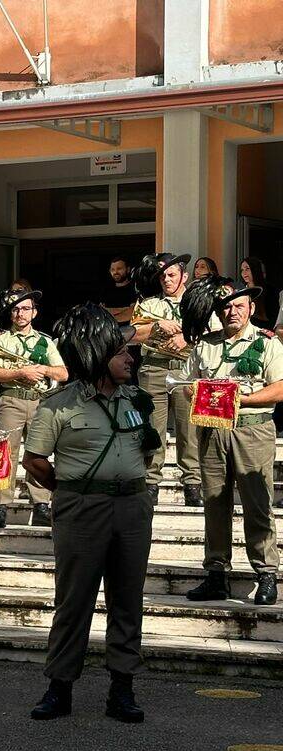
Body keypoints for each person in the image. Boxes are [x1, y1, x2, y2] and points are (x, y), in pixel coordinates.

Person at [23, 303, 159, 723]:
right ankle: (59, 687)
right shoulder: (58, 405)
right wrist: (70, 491)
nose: (129, 359)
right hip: (82, 507)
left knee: (127, 599)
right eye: (121, 353)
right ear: (97, 355)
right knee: (74, 599)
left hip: (132, 506)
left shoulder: (137, 398)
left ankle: (122, 689)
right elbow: (34, 460)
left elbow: (150, 449)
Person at [179, 276, 280, 606]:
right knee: (214, 503)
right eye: (226, 306)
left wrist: (241, 399)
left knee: (257, 503)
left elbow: (279, 387)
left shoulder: (267, 344)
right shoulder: (205, 345)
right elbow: (187, 384)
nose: (232, 311)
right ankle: (216, 573)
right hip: (212, 430)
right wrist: (192, 390)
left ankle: (266, 573)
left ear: (251, 308)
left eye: (239, 305)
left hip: (252, 428)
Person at [0, 287, 68, 528]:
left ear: (34, 313)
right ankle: (0, 505)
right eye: (16, 309)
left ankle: (41, 504)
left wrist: (42, 370)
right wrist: (21, 372)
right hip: (11, 399)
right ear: (11, 314)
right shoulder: (0, 340)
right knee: (1, 452)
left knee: (39, 452)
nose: (20, 313)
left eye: (25, 309)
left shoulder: (45, 341)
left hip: (40, 400)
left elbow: (63, 372)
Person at [130, 253, 202, 506]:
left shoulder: (197, 303)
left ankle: (193, 482)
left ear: (185, 276)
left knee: (188, 429)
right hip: (155, 368)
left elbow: (214, 332)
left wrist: (187, 337)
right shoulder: (149, 304)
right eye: (162, 276)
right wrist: (157, 326)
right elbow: (132, 335)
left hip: (186, 369)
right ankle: (151, 482)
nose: (166, 280)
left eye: (171, 275)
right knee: (152, 427)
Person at [241, 256, 278, 329]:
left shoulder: (270, 291)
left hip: (264, 329)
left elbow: (272, 318)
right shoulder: (241, 290)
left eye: (247, 269)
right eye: (242, 270)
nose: (244, 272)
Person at [101, 257, 137, 324]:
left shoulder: (134, 288)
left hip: (128, 329)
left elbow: (133, 313)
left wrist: (109, 312)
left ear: (128, 269)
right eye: (112, 269)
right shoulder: (106, 290)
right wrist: (124, 309)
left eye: (119, 269)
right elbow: (100, 312)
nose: (115, 272)